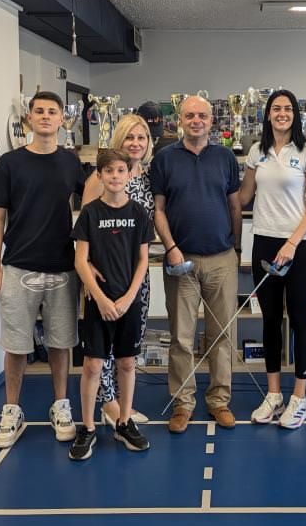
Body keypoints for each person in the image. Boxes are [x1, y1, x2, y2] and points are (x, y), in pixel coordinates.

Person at [0, 91, 86, 448]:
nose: (45, 116)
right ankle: (12, 410)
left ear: (62, 119)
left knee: (61, 342)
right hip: (17, 266)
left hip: (62, 267)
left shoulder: (71, 163)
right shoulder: (10, 163)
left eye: (52, 111)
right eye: (39, 111)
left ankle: (61, 406)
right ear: (29, 118)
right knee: (16, 345)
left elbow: (94, 201)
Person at [150, 94, 241, 433]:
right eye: (189, 115)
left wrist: (236, 249)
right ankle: (183, 403)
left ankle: (219, 400)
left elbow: (234, 206)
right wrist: (171, 248)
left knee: (222, 335)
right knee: (181, 337)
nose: (196, 121)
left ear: (211, 120)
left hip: (221, 259)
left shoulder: (225, 158)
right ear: (179, 120)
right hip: (180, 260)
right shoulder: (164, 159)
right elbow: (158, 210)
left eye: (202, 115)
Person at [239, 89, 306, 429]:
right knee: (270, 321)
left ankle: (299, 398)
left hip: (297, 247)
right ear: (268, 114)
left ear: (295, 114)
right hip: (263, 242)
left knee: (299, 319)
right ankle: (274, 395)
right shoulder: (256, 152)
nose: (282, 113)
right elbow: (244, 196)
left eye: (288, 108)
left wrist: (292, 242)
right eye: (276, 108)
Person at [69, 148, 151, 460]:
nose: (115, 176)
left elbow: (143, 260)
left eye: (120, 170)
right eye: (109, 171)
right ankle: (88, 427)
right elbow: (81, 260)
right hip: (98, 303)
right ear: (100, 175)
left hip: (128, 301)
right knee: (93, 365)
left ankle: (124, 422)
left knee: (127, 363)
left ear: (129, 174)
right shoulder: (90, 213)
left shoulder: (139, 213)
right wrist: (101, 299)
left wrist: (129, 298)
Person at [82, 113, 155, 427]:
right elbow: (85, 224)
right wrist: (88, 269)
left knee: (127, 344)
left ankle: (123, 406)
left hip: (136, 275)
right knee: (102, 347)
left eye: (141, 137)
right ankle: (108, 403)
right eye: (130, 137)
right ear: (119, 140)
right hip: (103, 275)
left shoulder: (148, 177)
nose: (135, 143)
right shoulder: (99, 178)